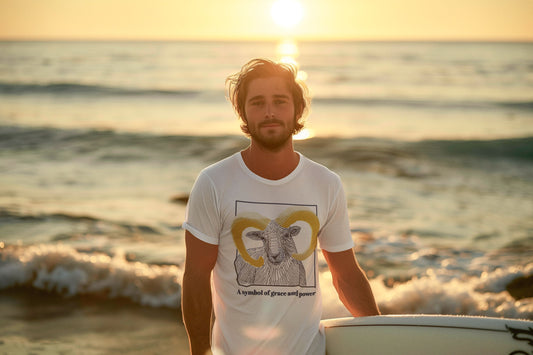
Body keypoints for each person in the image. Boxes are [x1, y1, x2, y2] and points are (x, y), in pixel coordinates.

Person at [182, 58, 380, 355]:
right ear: (243, 112)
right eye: (258, 103)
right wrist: (200, 351)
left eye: (280, 101)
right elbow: (196, 275)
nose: (270, 112)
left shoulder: (326, 183)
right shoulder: (214, 182)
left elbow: (346, 275)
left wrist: (382, 334)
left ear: (297, 110)